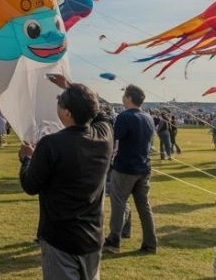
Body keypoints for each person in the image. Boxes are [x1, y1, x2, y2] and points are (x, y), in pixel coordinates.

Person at [19, 80, 112, 279]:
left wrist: (26, 158)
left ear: (68, 113)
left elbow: (30, 185)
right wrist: (72, 87)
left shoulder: (51, 144)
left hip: (60, 239)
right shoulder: (105, 137)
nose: (57, 104)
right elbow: (100, 113)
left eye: (59, 101)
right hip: (93, 236)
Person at [103, 84, 157, 255]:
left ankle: (114, 241)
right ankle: (150, 244)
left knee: (118, 203)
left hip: (126, 167)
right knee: (144, 207)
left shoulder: (125, 116)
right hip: (144, 167)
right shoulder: (148, 117)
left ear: (128, 98)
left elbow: (114, 137)